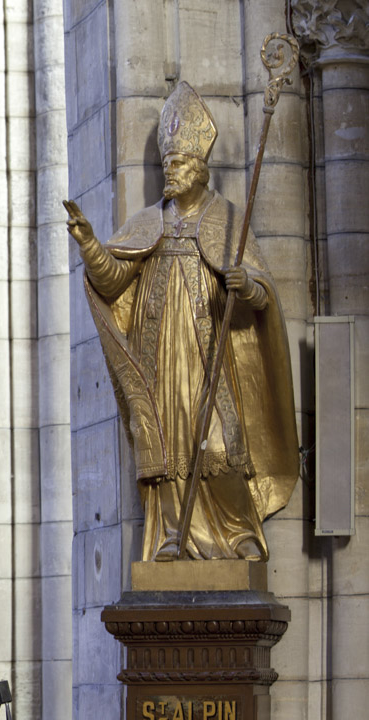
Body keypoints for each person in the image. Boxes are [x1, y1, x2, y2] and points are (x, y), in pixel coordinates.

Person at [64, 81, 297, 561]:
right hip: (161, 356)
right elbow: (112, 280)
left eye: (178, 164)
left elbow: (263, 293)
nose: (169, 171)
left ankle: (238, 531)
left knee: (219, 443)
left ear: (200, 169)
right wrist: (89, 244)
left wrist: (245, 285)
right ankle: (172, 534)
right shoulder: (148, 222)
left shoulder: (227, 220)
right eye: (166, 163)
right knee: (167, 444)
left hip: (210, 352)